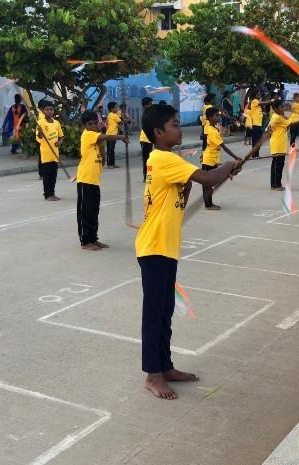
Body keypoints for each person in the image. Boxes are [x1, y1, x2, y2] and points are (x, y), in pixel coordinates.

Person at [137, 104, 242, 399]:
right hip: (155, 247)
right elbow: (207, 180)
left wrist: (220, 172)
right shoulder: (163, 158)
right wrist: (226, 168)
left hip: (165, 247)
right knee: (154, 313)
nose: (180, 128)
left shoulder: (166, 159)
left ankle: (165, 366)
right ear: (158, 132)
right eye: (174, 124)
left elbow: (185, 191)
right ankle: (152, 374)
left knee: (165, 311)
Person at [77, 111, 129, 250]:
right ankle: (85, 241)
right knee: (86, 212)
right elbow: (106, 136)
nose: (93, 126)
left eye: (95, 123)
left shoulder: (97, 139)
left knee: (94, 211)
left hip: (95, 181)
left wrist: (101, 145)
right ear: (84, 125)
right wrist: (121, 136)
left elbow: (103, 161)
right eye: (89, 124)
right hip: (85, 180)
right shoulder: (87, 134)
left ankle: (93, 238)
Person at [202, 107, 240, 210]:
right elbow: (223, 147)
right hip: (209, 159)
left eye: (219, 115)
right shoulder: (212, 130)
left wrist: (203, 152)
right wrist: (236, 157)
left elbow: (205, 141)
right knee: (208, 184)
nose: (219, 117)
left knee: (209, 183)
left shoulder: (209, 126)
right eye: (217, 115)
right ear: (210, 117)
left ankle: (209, 203)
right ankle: (208, 205)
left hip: (211, 158)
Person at [36, 100, 64, 201]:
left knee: (53, 176)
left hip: (55, 154)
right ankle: (47, 195)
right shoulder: (40, 123)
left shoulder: (56, 123)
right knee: (47, 176)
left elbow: (61, 136)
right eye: (47, 109)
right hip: (46, 154)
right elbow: (39, 138)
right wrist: (40, 132)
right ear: (43, 111)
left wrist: (60, 142)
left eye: (51, 109)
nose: (49, 111)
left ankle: (52, 193)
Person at [140, 97, 154, 182]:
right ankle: (146, 177)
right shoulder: (147, 114)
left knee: (149, 159)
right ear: (145, 105)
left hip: (149, 139)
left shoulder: (150, 113)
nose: (152, 105)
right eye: (150, 104)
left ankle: (149, 175)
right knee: (146, 159)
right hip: (145, 139)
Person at [105, 101, 122, 168]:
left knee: (110, 149)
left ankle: (111, 164)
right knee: (111, 150)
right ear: (112, 109)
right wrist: (120, 115)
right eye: (116, 107)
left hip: (109, 134)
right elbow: (121, 121)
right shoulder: (115, 115)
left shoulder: (110, 114)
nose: (117, 109)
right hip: (112, 134)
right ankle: (110, 164)